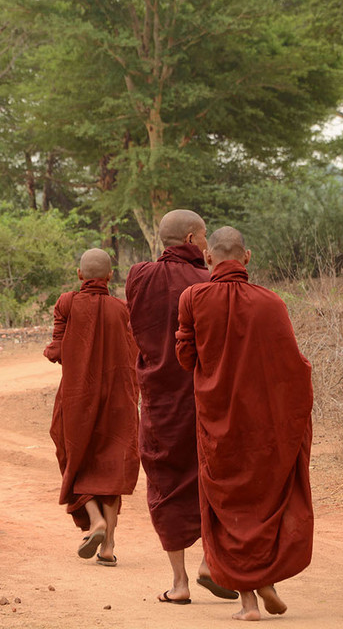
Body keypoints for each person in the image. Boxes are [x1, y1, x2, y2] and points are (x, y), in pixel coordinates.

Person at [175, 226, 314, 621]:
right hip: (265, 426)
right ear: (247, 257)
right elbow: (293, 365)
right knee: (261, 500)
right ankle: (265, 580)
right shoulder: (272, 303)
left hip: (218, 422)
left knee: (226, 505)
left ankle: (249, 603)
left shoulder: (193, 298)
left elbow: (186, 358)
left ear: (208, 258)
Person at [125, 209, 237, 605]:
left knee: (165, 482)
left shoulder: (139, 276)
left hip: (158, 400)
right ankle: (211, 560)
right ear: (192, 239)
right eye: (204, 237)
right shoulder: (208, 283)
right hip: (202, 399)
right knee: (209, 477)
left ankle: (180, 583)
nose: (207, 245)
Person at [44, 247, 141, 566]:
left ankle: (95, 520)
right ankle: (109, 546)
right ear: (111, 276)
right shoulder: (123, 310)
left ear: (80, 275)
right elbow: (134, 356)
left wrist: (61, 348)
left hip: (77, 399)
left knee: (75, 457)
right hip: (117, 401)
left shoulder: (67, 303)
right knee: (111, 467)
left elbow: (56, 350)